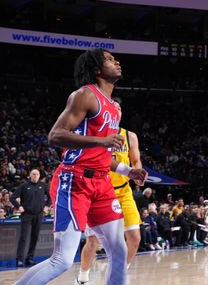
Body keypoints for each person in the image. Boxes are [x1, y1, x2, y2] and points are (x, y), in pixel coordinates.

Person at [15, 49, 147, 285]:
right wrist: (102, 141)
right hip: (74, 181)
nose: (116, 61)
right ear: (97, 69)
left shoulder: (114, 109)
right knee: (62, 260)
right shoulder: (85, 95)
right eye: (108, 59)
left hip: (102, 183)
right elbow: (55, 136)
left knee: (119, 251)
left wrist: (128, 171)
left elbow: (102, 156)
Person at [76, 108, 144, 285]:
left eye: (119, 109)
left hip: (123, 191)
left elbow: (135, 160)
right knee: (93, 241)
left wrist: (137, 171)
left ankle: (118, 272)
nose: (116, 111)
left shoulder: (130, 136)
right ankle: (82, 277)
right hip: (100, 191)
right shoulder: (96, 135)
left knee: (135, 239)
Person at [13, 169, 51, 267]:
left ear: (39, 176)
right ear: (30, 175)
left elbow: (51, 197)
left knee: (35, 237)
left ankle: (30, 258)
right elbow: (13, 197)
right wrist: (19, 206)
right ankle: (19, 259)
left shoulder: (43, 186)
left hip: (39, 214)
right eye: (33, 174)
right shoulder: (24, 186)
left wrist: (47, 206)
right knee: (23, 237)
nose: (35, 176)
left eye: (37, 174)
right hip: (26, 215)